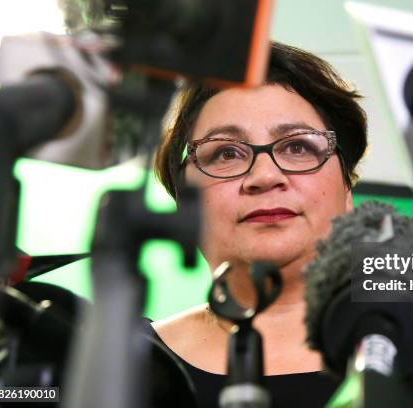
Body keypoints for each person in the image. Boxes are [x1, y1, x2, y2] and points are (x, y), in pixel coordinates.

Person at [151, 42, 367, 407]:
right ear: (184, 203)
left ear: (347, 189)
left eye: (297, 147)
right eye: (226, 153)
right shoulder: (120, 364)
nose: (265, 176)